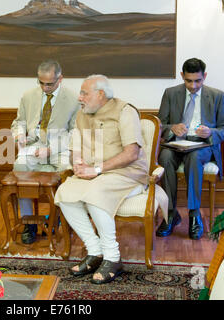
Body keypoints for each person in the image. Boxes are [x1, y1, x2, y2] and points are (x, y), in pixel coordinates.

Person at [54, 75, 151, 284]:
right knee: (64, 193)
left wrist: (96, 170)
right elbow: (75, 146)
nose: (79, 97)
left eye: (84, 93)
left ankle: (112, 257)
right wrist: (78, 162)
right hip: (94, 172)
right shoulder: (83, 113)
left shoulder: (125, 111)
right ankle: (95, 251)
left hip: (127, 173)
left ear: (100, 94)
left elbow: (132, 153)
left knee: (95, 194)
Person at [156, 58, 224, 240]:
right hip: (176, 143)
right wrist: (172, 127)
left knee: (195, 157)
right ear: (182, 76)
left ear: (204, 76)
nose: (193, 85)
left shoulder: (217, 96)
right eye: (188, 81)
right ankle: (170, 215)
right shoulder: (170, 93)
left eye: (198, 80)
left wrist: (210, 132)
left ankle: (194, 215)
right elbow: (160, 124)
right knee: (164, 157)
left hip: (202, 145)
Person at [10, 59, 80, 244]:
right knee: (19, 165)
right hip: (34, 145)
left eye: (49, 83)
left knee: (67, 169)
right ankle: (29, 223)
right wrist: (19, 136)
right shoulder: (28, 96)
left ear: (60, 79)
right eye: (41, 82)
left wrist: (51, 150)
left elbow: (75, 132)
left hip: (60, 147)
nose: (45, 87)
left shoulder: (74, 99)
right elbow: (19, 122)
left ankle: (59, 219)